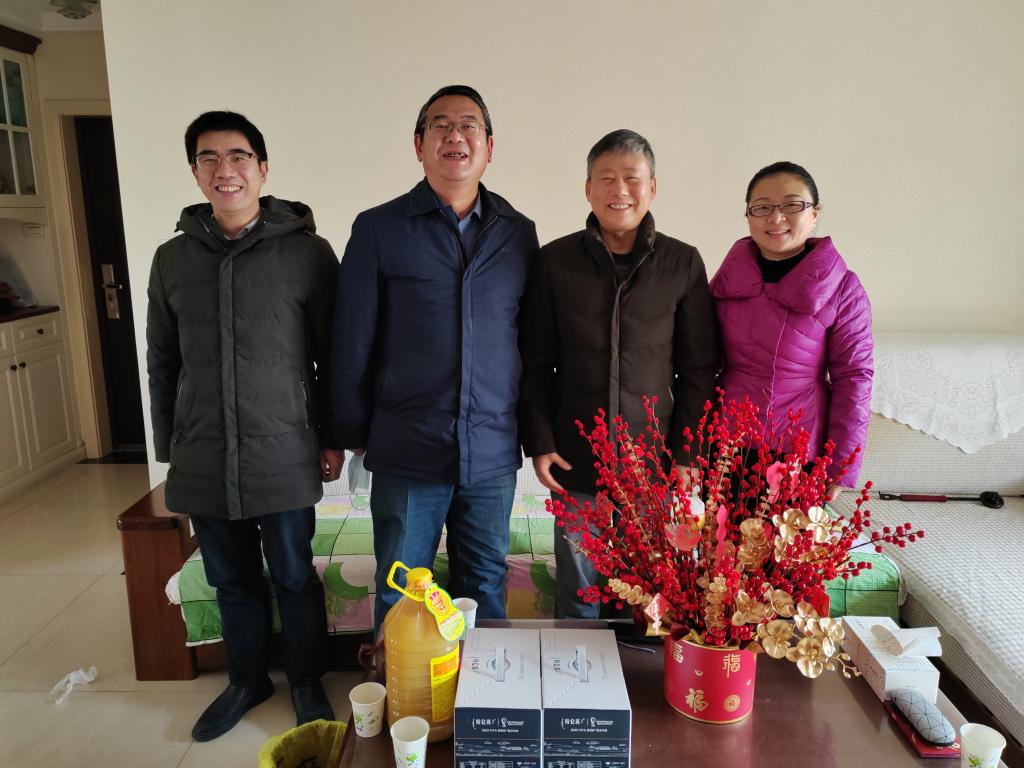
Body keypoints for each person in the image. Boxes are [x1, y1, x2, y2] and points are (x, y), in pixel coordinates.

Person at [146, 111, 341, 741]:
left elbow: (331, 355)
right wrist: (168, 446)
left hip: (282, 447)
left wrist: (331, 436)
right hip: (202, 450)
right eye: (208, 158)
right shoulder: (171, 259)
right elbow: (162, 361)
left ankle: (306, 679)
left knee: (293, 574)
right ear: (195, 172)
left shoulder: (308, 253)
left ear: (262, 168)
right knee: (229, 578)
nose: (224, 170)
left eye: (237, 157)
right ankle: (246, 680)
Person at [332, 85, 539, 630]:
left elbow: (530, 343)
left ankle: (482, 684)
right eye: (440, 125)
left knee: (484, 584)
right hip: (407, 446)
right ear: (418, 145)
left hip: (491, 448)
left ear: (489, 146)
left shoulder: (518, 233)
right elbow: (352, 338)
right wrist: (352, 430)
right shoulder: (378, 228)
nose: (455, 135)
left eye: (469, 125)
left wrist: (533, 433)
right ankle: (399, 683)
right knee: (401, 587)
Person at [519, 129, 720, 618]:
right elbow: (535, 360)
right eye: (606, 178)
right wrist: (540, 441)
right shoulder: (555, 261)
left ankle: (640, 668)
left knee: (650, 596)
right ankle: (577, 665)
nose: (620, 190)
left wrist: (688, 452)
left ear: (653, 187)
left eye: (632, 178)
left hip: (654, 462)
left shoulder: (682, 262)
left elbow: (698, 368)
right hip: (575, 458)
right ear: (588, 189)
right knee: (578, 592)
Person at [709, 161, 873, 496]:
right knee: (714, 531)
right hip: (724, 443)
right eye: (762, 207)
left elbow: (854, 378)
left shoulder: (843, 288)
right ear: (748, 216)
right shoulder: (725, 282)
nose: (776, 217)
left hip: (800, 447)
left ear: (814, 214)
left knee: (789, 533)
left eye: (792, 205)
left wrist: (841, 466)